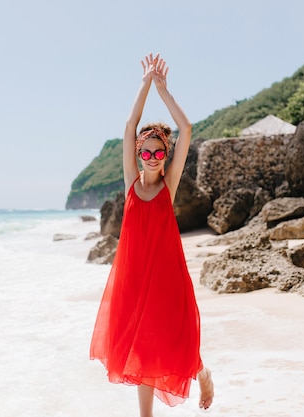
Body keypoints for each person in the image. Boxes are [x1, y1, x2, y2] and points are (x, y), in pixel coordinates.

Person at [89, 53, 214, 416]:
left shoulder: (167, 186)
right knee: (138, 349)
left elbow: (187, 129)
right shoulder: (131, 183)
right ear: (139, 155)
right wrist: (144, 83)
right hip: (132, 277)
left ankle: (203, 373)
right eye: (146, 151)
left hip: (165, 275)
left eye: (160, 151)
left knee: (178, 342)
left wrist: (164, 90)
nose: (153, 156)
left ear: (165, 154)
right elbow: (129, 126)